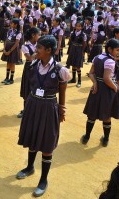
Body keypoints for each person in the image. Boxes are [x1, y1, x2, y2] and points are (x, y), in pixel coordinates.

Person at [17, 35, 70, 197]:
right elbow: (30, 86)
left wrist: (61, 108)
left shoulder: (60, 70)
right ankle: (30, 167)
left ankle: (43, 179)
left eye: (39, 48)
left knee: (47, 142)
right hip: (33, 105)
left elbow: (62, 90)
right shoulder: (33, 64)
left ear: (49, 50)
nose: (36, 50)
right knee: (33, 137)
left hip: (49, 107)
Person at [81, 39, 119, 147]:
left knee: (92, 115)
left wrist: (94, 83)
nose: (118, 52)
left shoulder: (97, 57)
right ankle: (106, 139)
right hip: (107, 90)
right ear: (109, 49)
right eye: (117, 50)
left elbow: (91, 73)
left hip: (96, 89)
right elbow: (107, 78)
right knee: (107, 115)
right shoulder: (110, 61)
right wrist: (115, 88)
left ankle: (86, 136)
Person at [18, 27, 41, 118]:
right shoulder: (25, 46)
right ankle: (26, 110)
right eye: (38, 35)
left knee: (36, 88)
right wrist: (38, 52)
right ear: (33, 35)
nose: (40, 36)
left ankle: (35, 110)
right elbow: (30, 58)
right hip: (29, 68)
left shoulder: (39, 45)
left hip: (39, 68)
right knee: (27, 89)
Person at [66, 19, 87, 88]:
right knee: (73, 65)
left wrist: (82, 52)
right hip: (73, 49)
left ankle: (79, 81)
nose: (78, 27)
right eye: (77, 26)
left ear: (82, 27)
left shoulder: (83, 34)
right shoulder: (73, 33)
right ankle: (73, 79)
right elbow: (70, 41)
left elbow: (84, 44)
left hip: (79, 50)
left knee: (78, 66)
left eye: (79, 26)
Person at [1, 19, 22, 85]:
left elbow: (16, 44)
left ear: (16, 25)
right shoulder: (9, 31)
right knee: (8, 63)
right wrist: (4, 49)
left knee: (12, 63)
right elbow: (6, 40)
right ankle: (7, 77)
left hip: (13, 50)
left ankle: (11, 79)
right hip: (7, 48)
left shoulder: (18, 33)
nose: (11, 24)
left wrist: (10, 51)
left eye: (12, 23)